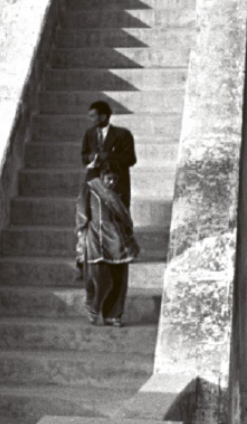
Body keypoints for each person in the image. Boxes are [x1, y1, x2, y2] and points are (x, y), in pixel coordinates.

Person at [75, 100, 137, 280]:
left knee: (118, 218)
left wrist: (108, 156)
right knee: (92, 219)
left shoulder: (123, 134)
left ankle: (122, 254)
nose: (91, 119)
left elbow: (130, 159)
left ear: (103, 116)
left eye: (93, 115)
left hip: (115, 184)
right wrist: (92, 157)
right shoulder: (89, 134)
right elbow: (84, 156)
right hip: (94, 182)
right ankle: (88, 258)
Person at [76, 161, 140, 327]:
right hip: (96, 239)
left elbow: (124, 218)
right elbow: (82, 213)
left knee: (119, 278)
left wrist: (128, 238)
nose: (112, 182)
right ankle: (93, 305)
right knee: (101, 279)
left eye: (115, 179)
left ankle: (113, 315)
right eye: (109, 179)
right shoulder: (90, 188)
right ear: (102, 177)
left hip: (117, 241)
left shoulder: (118, 192)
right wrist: (81, 236)